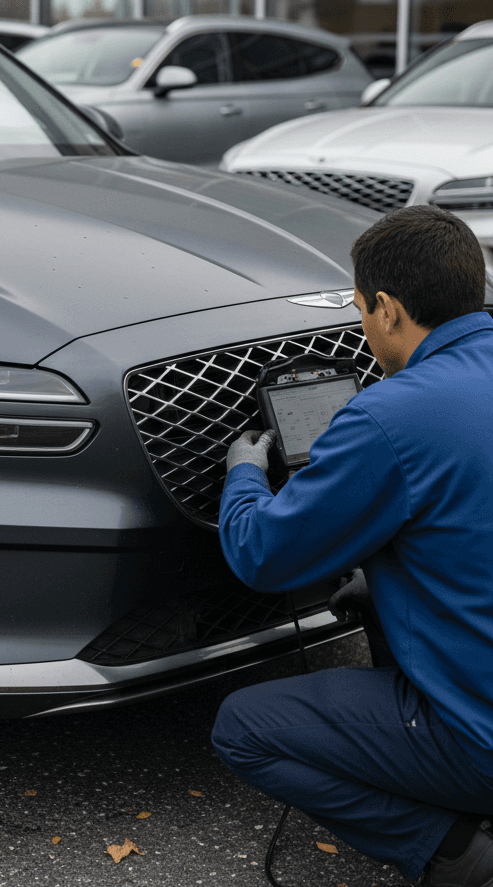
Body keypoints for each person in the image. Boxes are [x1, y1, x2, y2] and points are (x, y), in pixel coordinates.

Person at [210, 206, 493, 886]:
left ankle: (455, 853)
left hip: (483, 739)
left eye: (361, 307)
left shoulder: (392, 415)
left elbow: (262, 556)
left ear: (388, 309)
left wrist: (244, 475)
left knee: (243, 726)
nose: (363, 324)